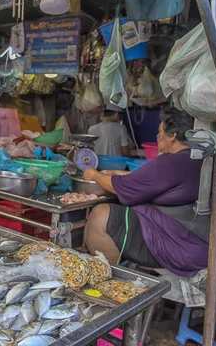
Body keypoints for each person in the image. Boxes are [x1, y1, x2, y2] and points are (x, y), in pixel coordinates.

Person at [82, 108, 208, 277]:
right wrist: (118, 173)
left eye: (160, 131)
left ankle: (109, 281)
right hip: (195, 241)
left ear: (173, 136)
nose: (157, 136)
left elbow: (123, 187)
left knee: (100, 215)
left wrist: (94, 174)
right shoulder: (194, 159)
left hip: (175, 246)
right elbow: (151, 180)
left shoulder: (171, 162)